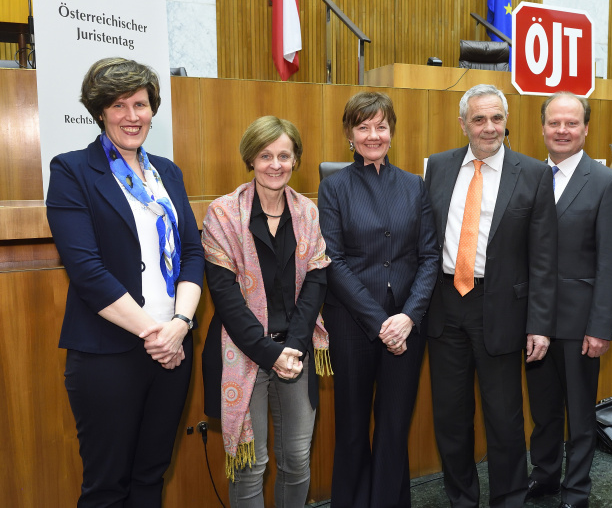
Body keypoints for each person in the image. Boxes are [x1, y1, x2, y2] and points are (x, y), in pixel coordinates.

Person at [46, 57, 204, 506]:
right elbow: (87, 272)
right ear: (100, 112)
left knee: (151, 476)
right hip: (107, 354)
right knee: (107, 486)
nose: (132, 116)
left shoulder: (166, 173)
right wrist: (157, 333)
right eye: (118, 106)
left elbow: (192, 254)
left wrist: (180, 325)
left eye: (140, 104)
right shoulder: (72, 170)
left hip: (172, 348)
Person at [424, 84, 558, 508]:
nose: (489, 127)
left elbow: (544, 258)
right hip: (444, 306)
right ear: (463, 123)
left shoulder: (534, 173)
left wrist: (540, 323)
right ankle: (462, 500)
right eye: (479, 119)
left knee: (504, 419)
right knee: (450, 418)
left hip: (500, 309)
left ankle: (510, 500)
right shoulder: (438, 168)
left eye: (496, 118)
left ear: (506, 122)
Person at [317, 91, 439, 508]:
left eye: (381, 126)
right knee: (351, 427)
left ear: (392, 131)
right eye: (363, 127)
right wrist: (379, 322)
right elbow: (332, 260)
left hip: (407, 324)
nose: (373, 135)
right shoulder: (333, 187)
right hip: (352, 323)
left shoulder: (414, 186)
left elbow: (429, 257)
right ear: (350, 134)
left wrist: (407, 317)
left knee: (393, 427)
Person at [201, 116, 329, 508]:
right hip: (242, 352)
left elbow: (316, 283)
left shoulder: (307, 213)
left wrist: (293, 347)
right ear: (251, 160)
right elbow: (225, 297)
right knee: (250, 466)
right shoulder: (222, 214)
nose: (276, 164)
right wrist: (269, 353)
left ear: (296, 160)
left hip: (295, 352)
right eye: (266, 155)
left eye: (284, 156)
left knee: (297, 459)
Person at [524, 92, 612, 508]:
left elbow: (611, 259)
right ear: (542, 128)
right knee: (543, 410)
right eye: (554, 123)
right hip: (532, 320)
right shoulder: (526, 176)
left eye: (571, 123)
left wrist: (601, 326)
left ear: (586, 128)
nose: (562, 131)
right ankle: (545, 476)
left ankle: (577, 489)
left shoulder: (605, 182)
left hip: (581, 322)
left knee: (579, 414)